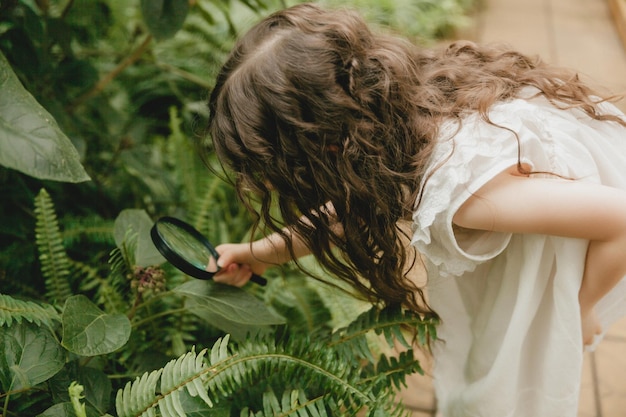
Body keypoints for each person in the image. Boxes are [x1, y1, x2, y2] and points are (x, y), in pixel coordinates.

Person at [202, 3, 626, 416]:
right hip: (518, 257)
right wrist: (256, 254)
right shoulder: (393, 113)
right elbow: (347, 212)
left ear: (322, 148)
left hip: (554, 270)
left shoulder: (466, 194)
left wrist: (577, 307)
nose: (265, 181)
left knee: (504, 392)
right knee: (478, 364)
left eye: (268, 166)